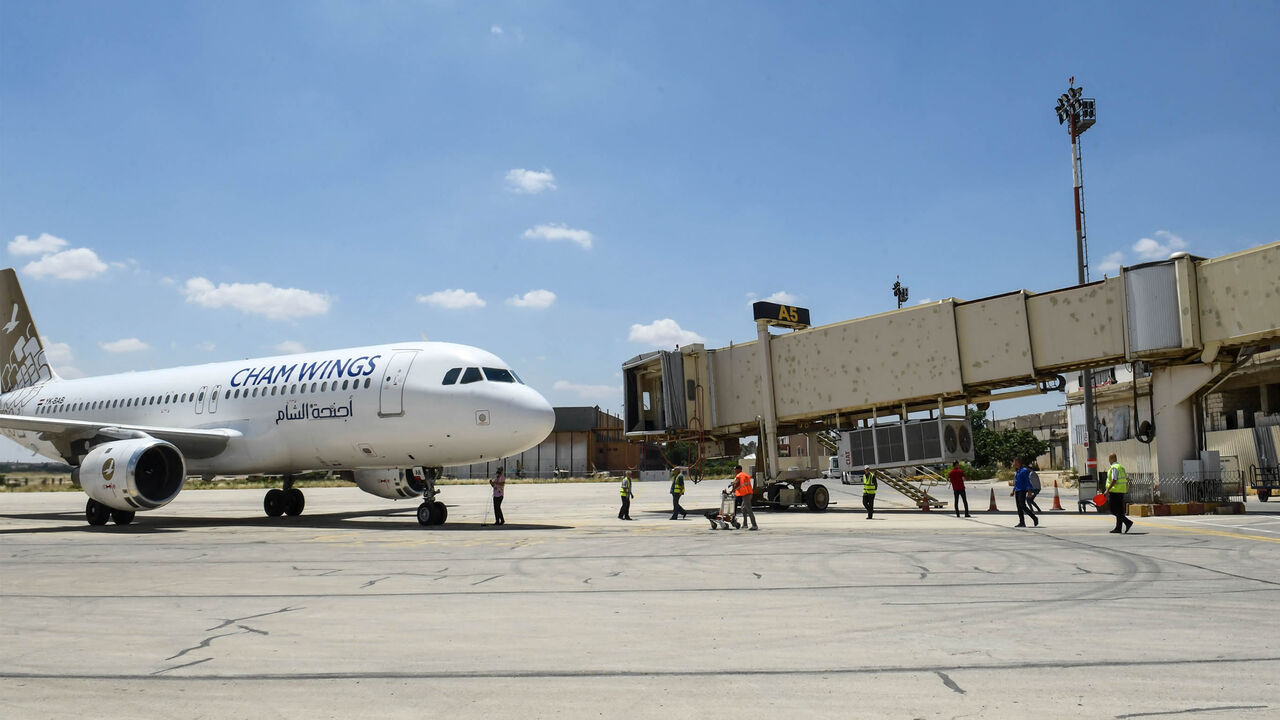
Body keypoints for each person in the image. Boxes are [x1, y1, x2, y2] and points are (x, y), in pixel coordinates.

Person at [1105, 453, 1133, 534]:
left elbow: (1114, 479)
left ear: (1111, 459)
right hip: (1121, 491)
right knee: (1119, 510)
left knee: (1113, 509)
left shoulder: (1114, 468)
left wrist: (1107, 490)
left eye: (1109, 459)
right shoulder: (1121, 467)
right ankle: (1118, 528)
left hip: (1115, 491)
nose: (1109, 460)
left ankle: (1127, 522)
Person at [1011, 458, 1038, 528]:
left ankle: (1034, 517)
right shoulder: (1017, 471)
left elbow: (1027, 481)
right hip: (1017, 490)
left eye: (1014, 462)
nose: (1013, 464)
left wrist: (1029, 491)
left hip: (1022, 490)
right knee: (1019, 507)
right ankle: (1022, 522)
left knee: (1023, 505)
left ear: (1018, 463)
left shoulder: (1024, 470)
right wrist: (1013, 490)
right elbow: (1016, 482)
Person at [733, 465, 757, 530]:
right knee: (743, 508)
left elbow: (737, 484)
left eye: (735, 469)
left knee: (749, 510)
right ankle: (745, 524)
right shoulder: (745, 475)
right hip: (749, 493)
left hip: (746, 494)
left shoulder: (739, 475)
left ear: (739, 469)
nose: (734, 471)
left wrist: (732, 490)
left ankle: (754, 525)